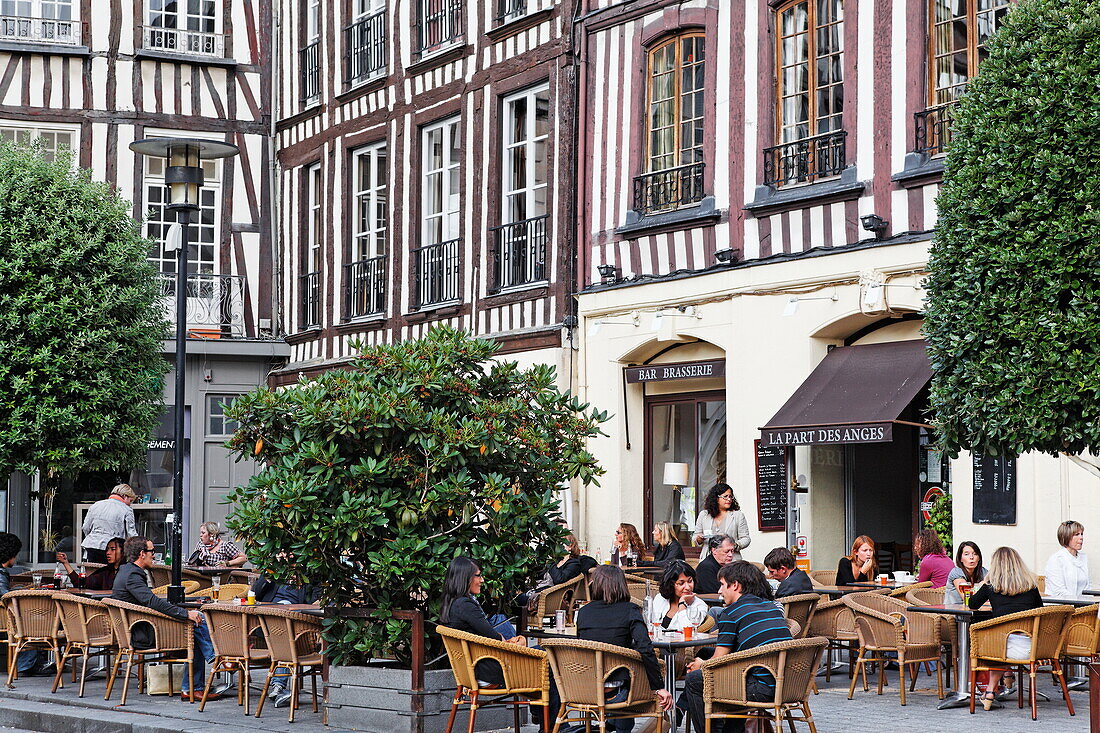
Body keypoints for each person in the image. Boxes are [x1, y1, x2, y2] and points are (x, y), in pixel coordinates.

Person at [679, 562, 793, 733]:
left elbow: (717, 661)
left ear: (735, 585)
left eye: (722, 585)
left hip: (762, 688)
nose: (719, 591)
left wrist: (700, 665)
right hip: (789, 683)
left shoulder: (731, 613)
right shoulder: (771, 607)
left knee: (695, 680)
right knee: (705, 652)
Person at [112, 536, 220, 701]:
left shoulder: (126, 570)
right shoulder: (133, 575)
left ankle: (193, 686)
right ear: (142, 554)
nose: (154, 555)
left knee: (195, 622)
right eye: (152, 551)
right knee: (198, 620)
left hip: (136, 628)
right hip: (144, 633)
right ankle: (216, 659)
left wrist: (185, 608)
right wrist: (185, 614)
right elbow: (151, 602)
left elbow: (149, 601)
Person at [572, 566, 673, 731]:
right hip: (616, 692)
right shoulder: (630, 610)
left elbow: (582, 645)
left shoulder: (584, 612)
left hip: (585, 689)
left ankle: (609, 725)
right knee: (630, 675)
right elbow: (645, 648)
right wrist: (659, 687)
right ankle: (620, 727)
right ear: (621, 585)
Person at [967, 546, 1043, 710]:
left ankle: (989, 691)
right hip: (1034, 648)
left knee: (999, 642)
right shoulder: (1031, 586)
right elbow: (1040, 610)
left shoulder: (991, 586)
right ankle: (1004, 679)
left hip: (1003, 649)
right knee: (1006, 640)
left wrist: (986, 581)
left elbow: (972, 604)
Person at [439, 556, 524, 687]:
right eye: (478, 576)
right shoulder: (465, 605)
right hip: (488, 672)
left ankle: (541, 705)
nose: (482, 580)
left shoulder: (451, 603)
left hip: (474, 671)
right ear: (465, 578)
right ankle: (547, 707)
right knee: (547, 658)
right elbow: (494, 639)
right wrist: (517, 645)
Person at [0, 532, 51, 678]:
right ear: (10, 554)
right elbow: (5, 596)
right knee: (36, 620)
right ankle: (27, 664)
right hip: (6, 618)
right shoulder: (0, 573)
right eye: (15, 554)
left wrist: (18, 589)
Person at [81, 484, 137, 563]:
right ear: (125, 496)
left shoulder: (96, 505)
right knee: (112, 574)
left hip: (92, 545)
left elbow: (85, 527)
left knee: (93, 572)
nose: (130, 504)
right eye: (130, 501)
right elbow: (131, 534)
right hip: (113, 548)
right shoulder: (127, 510)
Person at [692, 484, 751, 560]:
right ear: (716, 498)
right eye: (725, 497)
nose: (729, 499)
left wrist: (734, 545)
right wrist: (699, 539)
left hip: (731, 560)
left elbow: (746, 539)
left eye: (730, 496)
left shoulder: (738, 515)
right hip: (708, 559)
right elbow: (695, 537)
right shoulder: (704, 515)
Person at [648, 561, 708, 631]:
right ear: (671, 584)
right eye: (681, 583)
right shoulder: (660, 599)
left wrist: (682, 605)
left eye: (690, 581)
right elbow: (651, 624)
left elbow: (687, 631)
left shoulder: (699, 605)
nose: (688, 587)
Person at [57, 536, 124, 590]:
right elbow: (82, 584)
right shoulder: (105, 572)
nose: (108, 553)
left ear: (123, 551)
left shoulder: (129, 572)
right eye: (107, 549)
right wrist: (66, 563)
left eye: (113, 549)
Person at [1044, 520, 1089, 599]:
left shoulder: (1083, 558)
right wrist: (1078, 604)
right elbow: (1059, 591)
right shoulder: (1056, 559)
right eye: (1077, 534)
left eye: (1082, 534)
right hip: (1061, 607)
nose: (1081, 537)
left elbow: (1088, 587)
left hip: (1082, 607)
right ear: (1066, 537)